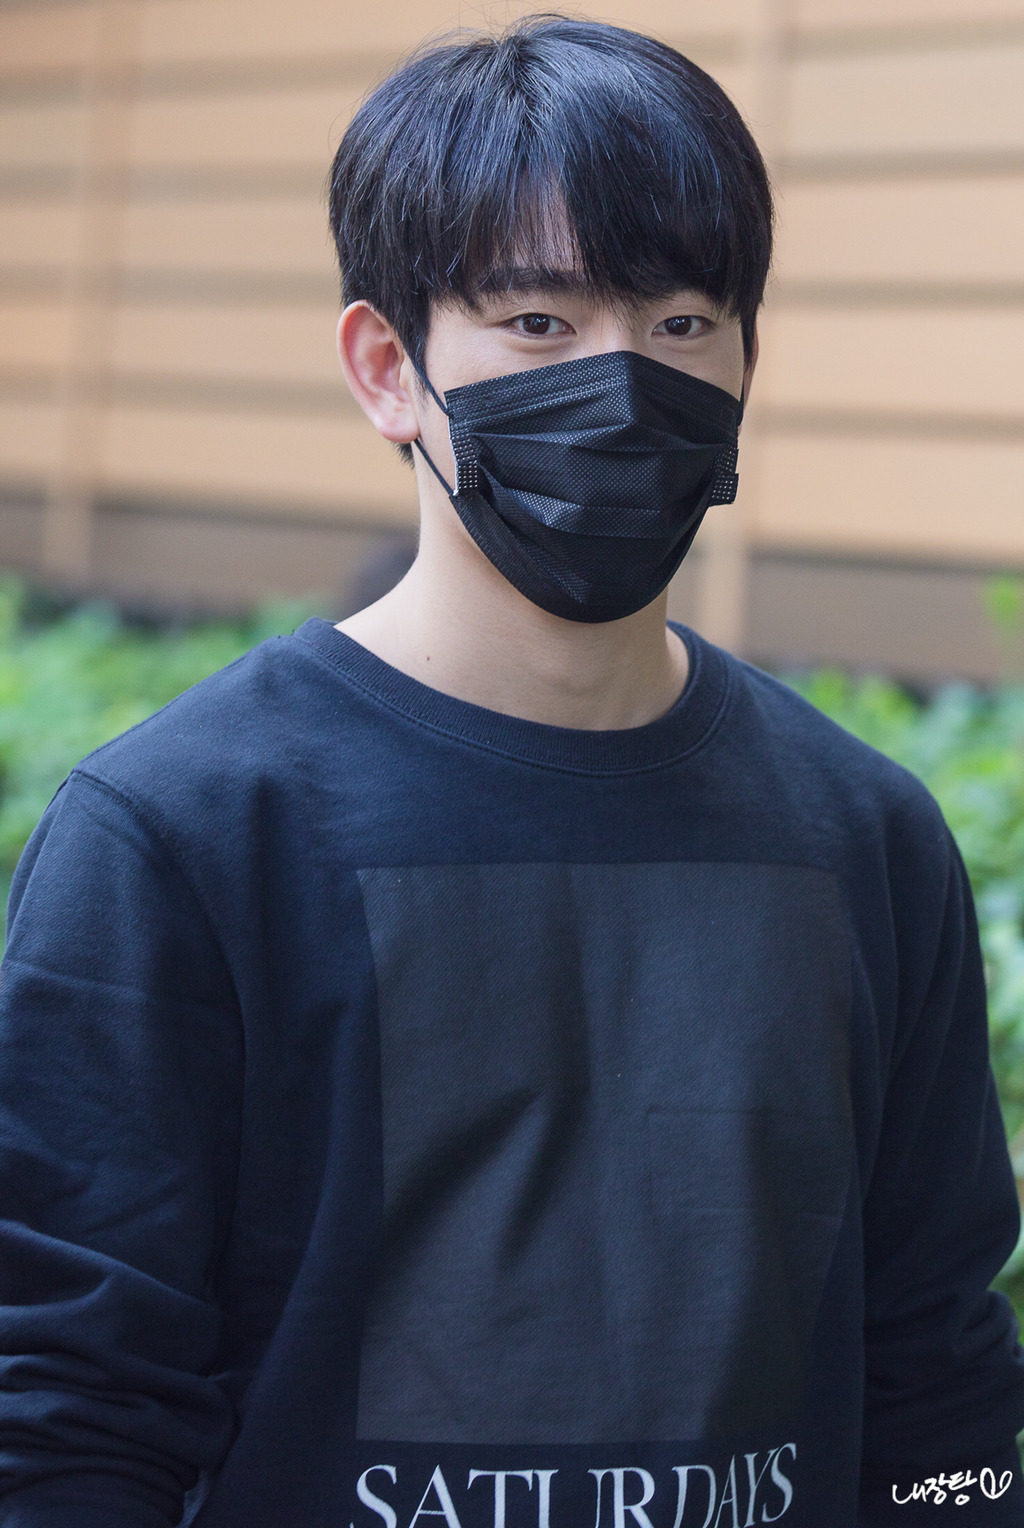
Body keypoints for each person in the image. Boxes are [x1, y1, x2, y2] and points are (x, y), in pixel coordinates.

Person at [1, 15, 1022, 1527]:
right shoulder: (181, 835)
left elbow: (943, 1388)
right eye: (538, 323)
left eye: (683, 322)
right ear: (387, 370)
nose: (623, 385)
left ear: (748, 358)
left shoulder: (865, 835)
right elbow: (63, 1420)